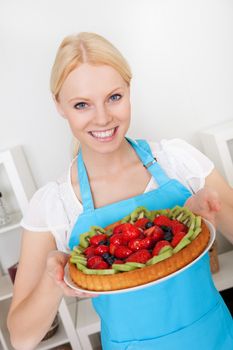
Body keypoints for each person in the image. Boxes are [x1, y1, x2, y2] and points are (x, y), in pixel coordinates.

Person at [7, 32, 233, 350]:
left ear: (129, 89)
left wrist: (203, 218)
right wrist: (54, 276)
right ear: (58, 105)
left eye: (114, 97)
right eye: (82, 104)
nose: (103, 118)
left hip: (218, 338)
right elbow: (21, 338)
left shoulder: (179, 162)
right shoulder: (53, 205)